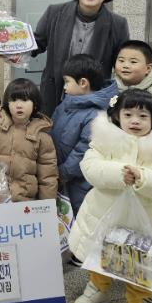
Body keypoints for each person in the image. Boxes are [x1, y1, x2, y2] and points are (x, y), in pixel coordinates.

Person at [69, 89, 152, 303]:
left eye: (143, 116)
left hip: (142, 225)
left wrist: (145, 179)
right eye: (128, 114)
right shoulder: (105, 140)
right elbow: (89, 167)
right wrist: (119, 174)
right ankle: (98, 290)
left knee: (140, 268)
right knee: (99, 258)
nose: (135, 121)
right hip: (103, 216)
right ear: (117, 116)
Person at [32, 0, 129, 116]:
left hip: (92, 103)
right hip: (54, 97)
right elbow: (35, 44)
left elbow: (124, 63)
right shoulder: (54, 13)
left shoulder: (118, 24)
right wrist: (8, 40)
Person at [0, 78, 58, 201]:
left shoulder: (42, 137)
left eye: (25, 100)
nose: (19, 105)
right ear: (7, 104)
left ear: (35, 104)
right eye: (14, 100)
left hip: (25, 200)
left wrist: (48, 205)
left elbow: (48, 176)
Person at [51, 54, 117, 215]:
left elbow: (83, 151)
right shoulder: (68, 103)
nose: (64, 87)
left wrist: (62, 173)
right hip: (59, 175)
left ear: (83, 83)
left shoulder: (96, 115)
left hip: (79, 183)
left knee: (78, 217)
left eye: (67, 81)